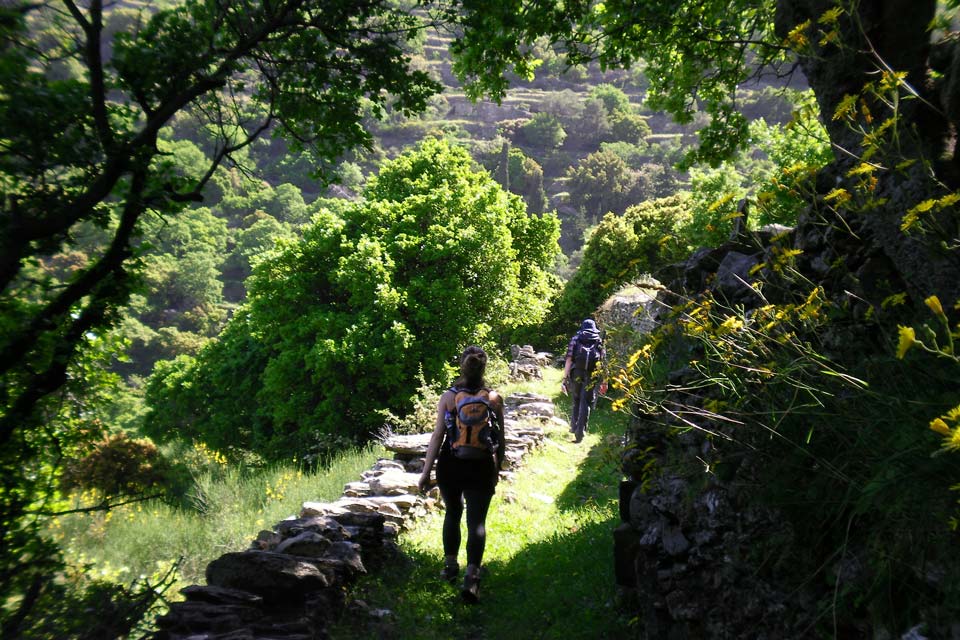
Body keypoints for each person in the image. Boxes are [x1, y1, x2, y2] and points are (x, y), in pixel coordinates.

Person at [418, 345, 506, 604]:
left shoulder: (449, 397)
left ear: (462, 366)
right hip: (481, 465)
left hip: (451, 464)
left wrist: (426, 472)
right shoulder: (494, 398)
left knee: (453, 513)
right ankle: (472, 576)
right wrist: (497, 468)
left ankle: (449, 567)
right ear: (484, 368)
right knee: (476, 521)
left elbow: (438, 436)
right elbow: (500, 438)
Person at [562, 318, 607, 443]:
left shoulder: (576, 339)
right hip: (592, 374)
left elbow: (569, 359)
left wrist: (565, 378)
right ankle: (580, 433)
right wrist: (604, 381)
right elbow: (604, 362)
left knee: (576, 398)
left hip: (577, 372)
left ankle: (574, 427)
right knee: (586, 402)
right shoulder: (599, 340)